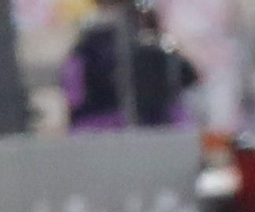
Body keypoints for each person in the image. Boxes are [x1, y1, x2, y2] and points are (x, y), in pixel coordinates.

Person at [61, 0, 198, 132]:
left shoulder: (86, 47)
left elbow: (74, 96)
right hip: (109, 131)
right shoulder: (89, 47)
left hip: (114, 132)